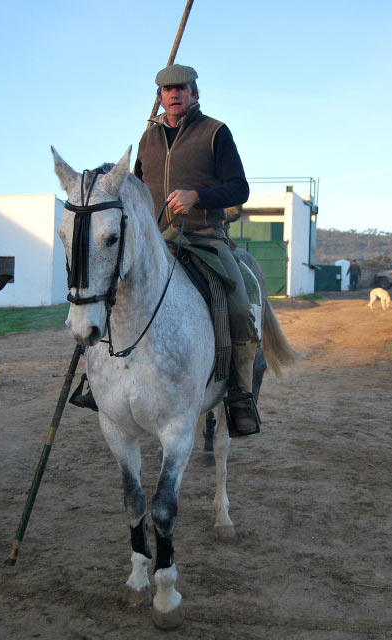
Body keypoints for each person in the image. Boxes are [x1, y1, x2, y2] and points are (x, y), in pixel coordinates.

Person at [134, 63, 259, 435]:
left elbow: (240, 189)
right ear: (159, 97)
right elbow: (137, 189)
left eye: (182, 89)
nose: (174, 94)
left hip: (204, 237)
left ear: (195, 94)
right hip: (155, 240)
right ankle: (100, 380)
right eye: (167, 90)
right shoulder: (147, 138)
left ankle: (238, 394)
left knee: (238, 307)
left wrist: (197, 197)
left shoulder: (215, 133)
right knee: (112, 293)